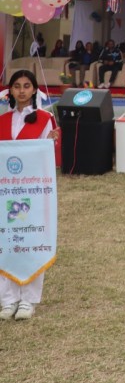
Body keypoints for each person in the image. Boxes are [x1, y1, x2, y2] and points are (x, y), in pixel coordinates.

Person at [0, 70, 58, 320]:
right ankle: (8, 298)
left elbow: (49, 158)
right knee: (7, 241)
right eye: (16, 86)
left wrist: (53, 141)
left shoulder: (46, 119)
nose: (21, 90)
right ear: (10, 90)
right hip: (6, 192)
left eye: (26, 86)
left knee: (32, 239)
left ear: (34, 89)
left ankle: (29, 299)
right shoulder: (2, 121)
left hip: (33, 193)